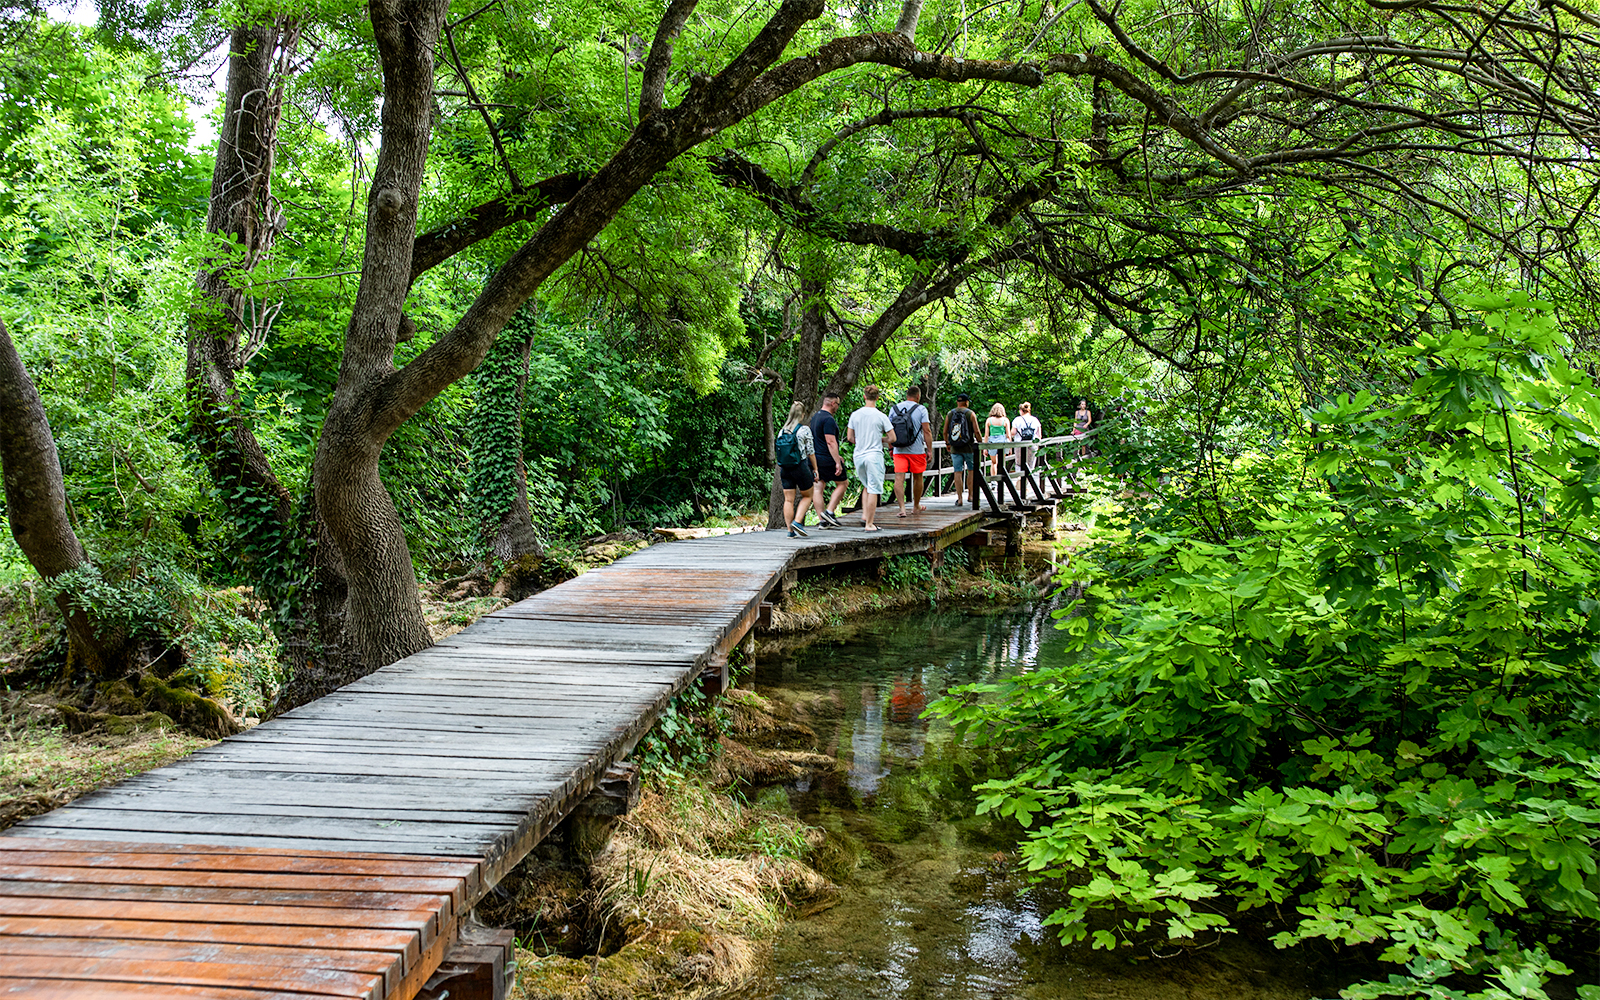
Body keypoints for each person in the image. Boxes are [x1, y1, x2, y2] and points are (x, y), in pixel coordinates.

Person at [846, 384, 895, 531]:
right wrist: (882, 440)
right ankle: (869, 524)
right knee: (874, 489)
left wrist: (860, 441)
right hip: (874, 455)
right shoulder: (881, 416)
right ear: (878, 398)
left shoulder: (855, 415)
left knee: (867, 486)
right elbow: (892, 437)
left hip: (859, 455)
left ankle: (864, 516)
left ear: (864, 396)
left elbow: (849, 437)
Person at [774, 400, 819, 538]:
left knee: (788, 500)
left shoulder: (782, 431)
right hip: (800, 466)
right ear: (802, 415)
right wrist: (816, 469)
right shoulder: (803, 430)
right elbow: (810, 451)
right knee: (808, 495)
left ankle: (790, 531)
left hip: (785, 469)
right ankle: (798, 522)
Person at [888, 385, 932, 517]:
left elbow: (889, 430)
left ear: (907, 395)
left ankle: (902, 508)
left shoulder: (894, 409)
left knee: (899, 478)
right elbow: (926, 430)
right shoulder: (921, 409)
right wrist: (929, 450)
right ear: (918, 397)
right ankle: (916, 506)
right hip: (917, 450)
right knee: (918, 477)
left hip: (899, 449)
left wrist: (891, 447)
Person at [808, 392, 847, 527]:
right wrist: (837, 461)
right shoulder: (828, 419)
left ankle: (822, 521)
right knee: (843, 483)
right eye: (837, 404)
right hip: (826, 459)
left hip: (815, 459)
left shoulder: (815, 417)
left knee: (818, 488)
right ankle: (829, 512)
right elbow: (830, 442)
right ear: (832, 403)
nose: (838, 407)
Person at [943, 393, 979, 507]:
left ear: (957, 402)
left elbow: (945, 431)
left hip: (955, 448)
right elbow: (977, 431)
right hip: (969, 447)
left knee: (957, 472)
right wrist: (981, 444)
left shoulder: (950, 414)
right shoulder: (970, 414)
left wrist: (948, 443)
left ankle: (959, 499)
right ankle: (971, 495)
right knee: (971, 471)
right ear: (966, 402)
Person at [1012, 401, 1043, 473]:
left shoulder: (1017, 420)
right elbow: (1039, 435)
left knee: (1019, 464)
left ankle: (1019, 480)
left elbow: (1013, 433)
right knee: (1030, 465)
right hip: (1032, 444)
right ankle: (1028, 482)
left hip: (1019, 444)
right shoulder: (1035, 420)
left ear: (1021, 410)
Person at [984, 402, 1012, 477]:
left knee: (993, 462)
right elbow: (1008, 435)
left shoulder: (989, 420)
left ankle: (993, 481)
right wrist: (1010, 448)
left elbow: (986, 435)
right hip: (1002, 442)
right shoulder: (1005, 420)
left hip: (992, 442)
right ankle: (1001, 480)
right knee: (1001, 462)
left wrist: (985, 448)